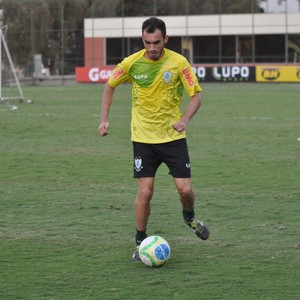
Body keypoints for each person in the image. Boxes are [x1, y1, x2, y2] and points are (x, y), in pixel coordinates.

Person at [98, 17, 209, 262]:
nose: (152, 48)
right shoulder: (131, 63)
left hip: (173, 137)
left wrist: (185, 121)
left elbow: (196, 98)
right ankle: (140, 243)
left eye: (156, 42)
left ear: (165, 39)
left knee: (185, 190)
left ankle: (189, 218)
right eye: (147, 42)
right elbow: (109, 86)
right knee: (145, 192)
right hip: (143, 138)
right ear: (143, 40)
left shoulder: (178, 62)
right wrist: (103, 120)